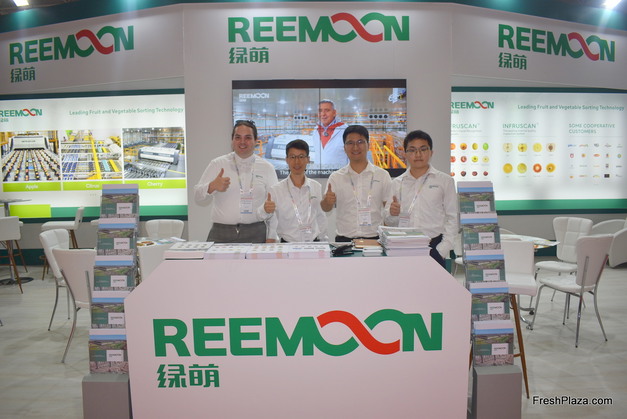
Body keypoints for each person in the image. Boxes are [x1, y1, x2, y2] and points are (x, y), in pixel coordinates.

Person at [194, 120, 278, 243]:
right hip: (221, 233)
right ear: (232, 140)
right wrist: (212, 186)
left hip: (256, 233)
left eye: (248, 137)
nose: (242, 142)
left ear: (255, 140)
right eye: (238, 137)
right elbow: (197, 196)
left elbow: (274, 205)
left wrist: (271, 236)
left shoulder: (267, 168)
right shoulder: (218, 164)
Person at [384, 130, 458, 268]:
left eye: (423, 149)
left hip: (434, 246)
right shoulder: (397, 183)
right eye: (412, 150)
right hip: (403, 246)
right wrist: (392, 214)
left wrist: (442, 249)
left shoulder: (445, 181)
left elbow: (452, 217)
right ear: (405, 154)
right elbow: (389, 221)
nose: (418, 154)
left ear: (431, 152)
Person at [321, 125, 391, 242]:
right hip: (344, 241)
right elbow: (326, 208)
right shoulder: (336, 177)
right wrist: (327, 201)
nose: (355, 147)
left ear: (368, 145)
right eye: (350, 143)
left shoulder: (382, 175)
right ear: (344, 148)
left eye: (360, 142)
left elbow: (389, 210)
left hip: (374, 240)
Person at [258, 139, 328, 242]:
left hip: (314, 244)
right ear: (287, 160)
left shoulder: (316, 186)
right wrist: (265, 209)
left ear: (308, 159)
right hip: (287, 245)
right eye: (292, 157)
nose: (297, 162)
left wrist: (324, 241)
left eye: (301, 157)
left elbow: (321, 217)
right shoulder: (276, 190)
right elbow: (260, 216)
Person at [310, 100, 348, 170]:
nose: (323, 114)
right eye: (320, 111)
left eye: (327, 110)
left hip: (339, 174)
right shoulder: (315, 130)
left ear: (334, 113)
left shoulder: (345, 130)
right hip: (319, 174)